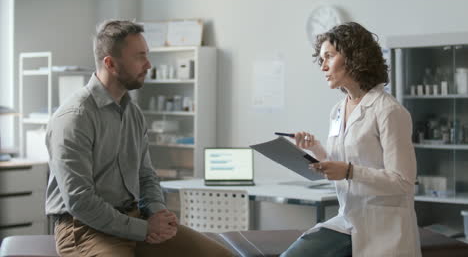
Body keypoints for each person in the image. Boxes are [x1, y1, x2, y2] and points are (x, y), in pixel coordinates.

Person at [45, 20, 234, 257]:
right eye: (140, 57)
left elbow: (146, 175)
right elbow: (80, 201)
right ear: (111, 64)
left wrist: (157, 214)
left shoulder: (132, 112)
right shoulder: (74, 118)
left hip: (134, 217)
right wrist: (143, 229)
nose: (148, 65)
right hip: (85, 227)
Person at [281, 22, 421, 257]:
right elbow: (342, 165)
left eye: (329, 57)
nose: (323, 66)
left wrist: (349, 171)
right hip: (348, 220)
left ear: (354, 57)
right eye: (321, 59)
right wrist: (315, 150)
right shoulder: (337, 110)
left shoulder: (388, 110)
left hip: (385, 229)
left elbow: (403, 181)